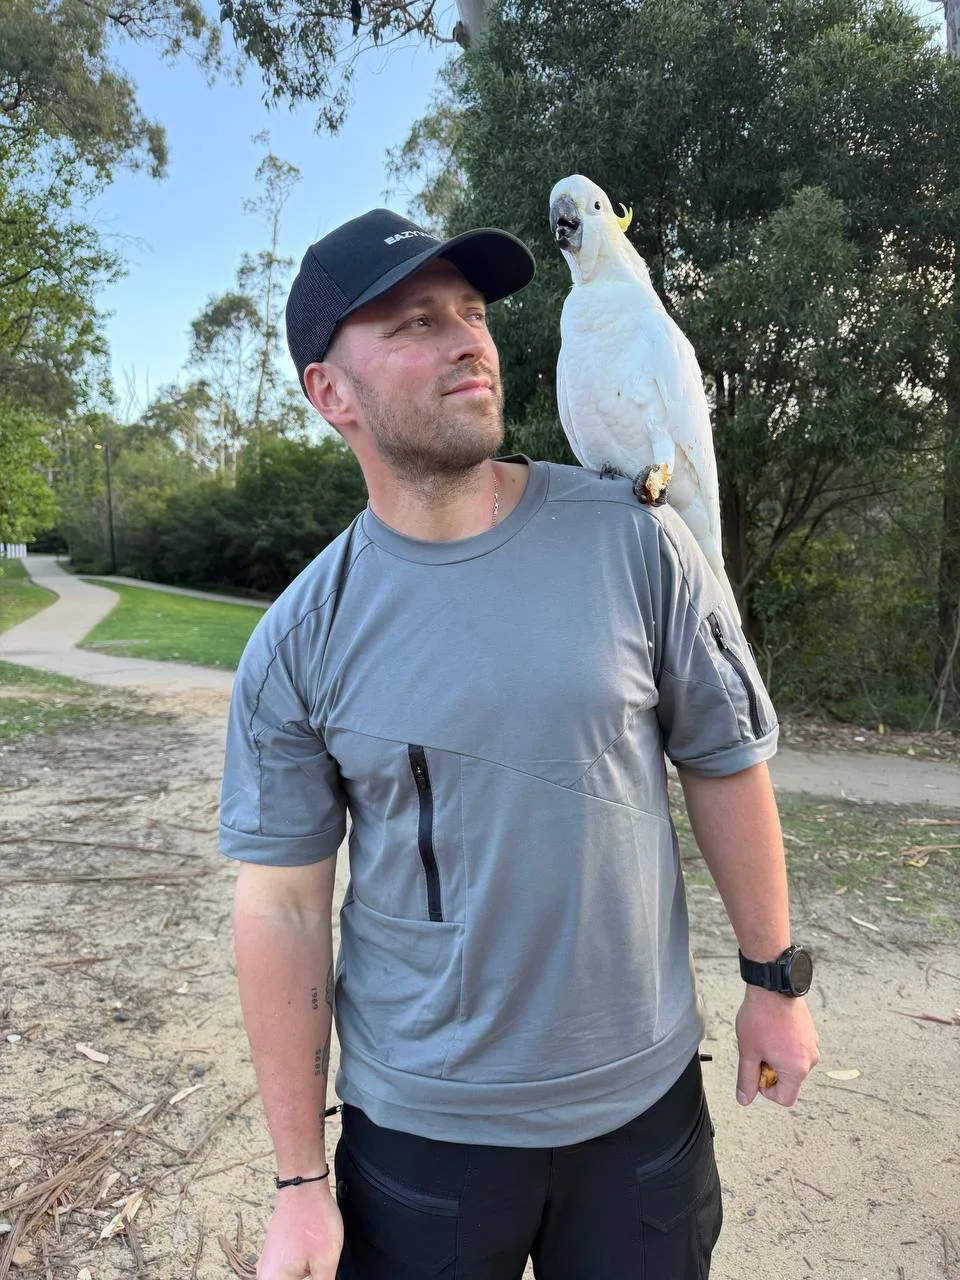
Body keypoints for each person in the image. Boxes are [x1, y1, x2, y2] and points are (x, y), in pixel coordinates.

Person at [219, 207, 820, 1280]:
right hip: (422, 1140)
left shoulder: (637, 540)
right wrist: (300, 1182)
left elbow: (725, 758)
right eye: (417, 322)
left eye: (473, 313)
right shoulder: (300, 638)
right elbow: (283, 906)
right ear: (330, 392)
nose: (468, 340)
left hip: (641, 1114)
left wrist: (774, 983)